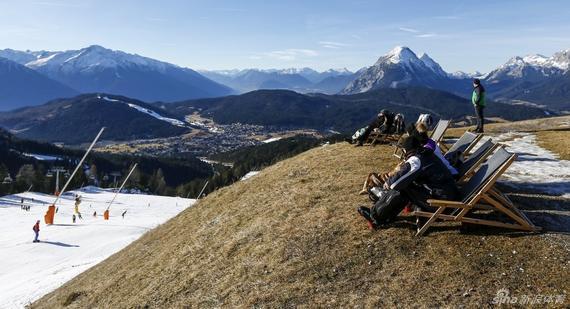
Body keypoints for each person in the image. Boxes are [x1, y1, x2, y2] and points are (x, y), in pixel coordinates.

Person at [358, 135, 459, 229]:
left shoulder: (416, 160)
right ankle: (386, 215)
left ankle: (375, 216)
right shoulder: (426, 154)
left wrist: (388, 183)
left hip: (442, 202)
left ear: (406, 149)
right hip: (448, 195)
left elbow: (394, 183)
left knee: (404, 186)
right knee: (407, 184)